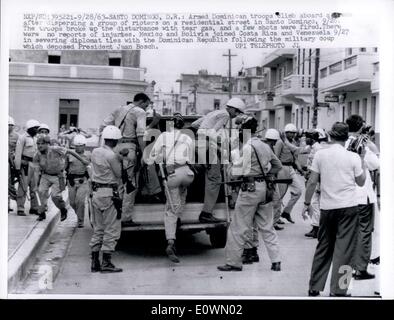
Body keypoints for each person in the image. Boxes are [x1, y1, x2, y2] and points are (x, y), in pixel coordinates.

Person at [302, 122, 367, 297]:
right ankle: (340, 290)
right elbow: (361, 182)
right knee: (346, 251)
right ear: (346, 138)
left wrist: (306, 204)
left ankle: (314, 286)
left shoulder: (320, 155)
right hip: (348, 208)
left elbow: (312, 182)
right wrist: (362, 160)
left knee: (323, 247)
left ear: (330, 136)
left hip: (327, 208)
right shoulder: (353, 157)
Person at [217, 117, 283, 272]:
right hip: (264, 188)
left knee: (238, 227)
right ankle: (276, 261)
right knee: (267, 227)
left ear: (244, 130)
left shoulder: (248, 147)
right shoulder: (265, 146)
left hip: (250, 189)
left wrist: (230, 167)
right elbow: (277, 165)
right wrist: (267, 175)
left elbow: (237, 172)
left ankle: (233, 262)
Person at [100, 92, 158, 227]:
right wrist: (144, 154)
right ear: (142, 102)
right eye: (146, 105)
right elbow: (140, 134)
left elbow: (103, 126)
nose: (146, 109)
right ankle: (126, 218)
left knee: (118, 183)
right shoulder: (140, 112)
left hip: (116, 148)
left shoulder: (118, 109)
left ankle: (115, 215)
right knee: (130, 185)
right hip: (130, 149)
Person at [191, 97, 246, 223]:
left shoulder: (213, 112)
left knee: (207, 175)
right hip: (207, 146)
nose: (236, 115)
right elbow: (211, 133)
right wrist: (222, 143)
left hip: (199, 145)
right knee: (215, 179)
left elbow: (195, 125)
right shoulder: (225, 115)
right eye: (237, 112)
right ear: (232, 109)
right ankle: (206, 213)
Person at [149, 113, 195, 263]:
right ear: (182, 126)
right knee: (181, 196)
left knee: (171, 209)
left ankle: (170, 241)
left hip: (173, 174)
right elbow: (192, 158)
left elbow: (153, 156)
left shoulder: (163, 136)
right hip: (187, 174)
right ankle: (178, 218)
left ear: (170, 124)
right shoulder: (188, 138)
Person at [345, 115, 380, 280]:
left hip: (345, 195)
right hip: (362, 195)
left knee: (349, 232)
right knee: (364, 232)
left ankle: (348, 268)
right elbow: (376, 164)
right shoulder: (362, 144)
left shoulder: (341, 143)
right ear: (361, 127)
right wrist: (373, 147)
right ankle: (360, 269)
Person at [89, 125, 124, 273]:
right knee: (111, 229)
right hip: (110, 193)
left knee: (98, 229)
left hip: (96, 193)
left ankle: (94, 262)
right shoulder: (112, 156)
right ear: (116, 141)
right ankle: (106, 263)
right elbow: (119, 174)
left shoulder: (95, 152)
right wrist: (121, 159)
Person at [33, 135, 90, 221]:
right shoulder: (37, 155)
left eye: (42, 144)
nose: (40, 146)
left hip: (58, 176)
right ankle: (42, 213)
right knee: (41, 192)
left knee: (55, 196)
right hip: (46, 176)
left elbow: (70, 152)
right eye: (38, 144)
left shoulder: (55, 149)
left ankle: (63, 209)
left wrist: (82, 160)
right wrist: (36, 185)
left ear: (47, 144)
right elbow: (36, 171)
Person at [273, 123, 308, 226]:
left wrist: (300, 169)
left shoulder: (292, 142)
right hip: (282, 167)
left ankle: (286, 212)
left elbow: (295, 158)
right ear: (286, 133)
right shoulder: (280, 142)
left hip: (291, 168)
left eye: (293, 133)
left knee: (298, 191)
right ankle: (275, 219)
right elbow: (275, 157)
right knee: (280, 194)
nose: (292, 135)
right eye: (290, 133)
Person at [303, 128, 329, 238]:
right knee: (315, 203)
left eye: (307, 138)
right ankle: (316, 227)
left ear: (312, 138)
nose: (305, 139)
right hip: (313, 177)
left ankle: (316, 228)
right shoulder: (313, 148)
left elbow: (320, 167)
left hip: (317, 179)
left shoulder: (318, 149)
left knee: (315, 204)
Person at [14, 119, 40, 216]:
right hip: (25, 165)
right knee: (23, 186)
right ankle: (20, 208)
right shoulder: (22, 138)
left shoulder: (36, 139)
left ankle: (34, 207)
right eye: (35, 128)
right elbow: (18, 153)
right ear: (30, 128)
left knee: (34, 186)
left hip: (35, 164)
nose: (37, 130)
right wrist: (17, 167)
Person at [66, 134, 91, 228]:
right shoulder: (70, 154)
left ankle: (80, 221)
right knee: (72, 202)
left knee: (80, 201)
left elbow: (91, 167)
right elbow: (65, 167)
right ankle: (79, 215)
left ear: (84, 145)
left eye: (81, 145)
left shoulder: (88, 155)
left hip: (83, 180)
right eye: (77, 145)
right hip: (72, 180)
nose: (79, 147)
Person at [8, 116, 19, 211]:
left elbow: (18, 150)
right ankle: (15, 197)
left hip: (12, 161)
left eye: (11, 125)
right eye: (7, 125)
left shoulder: (16, 136)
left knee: (11, 181)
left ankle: (8, 203)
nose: (9, 127)